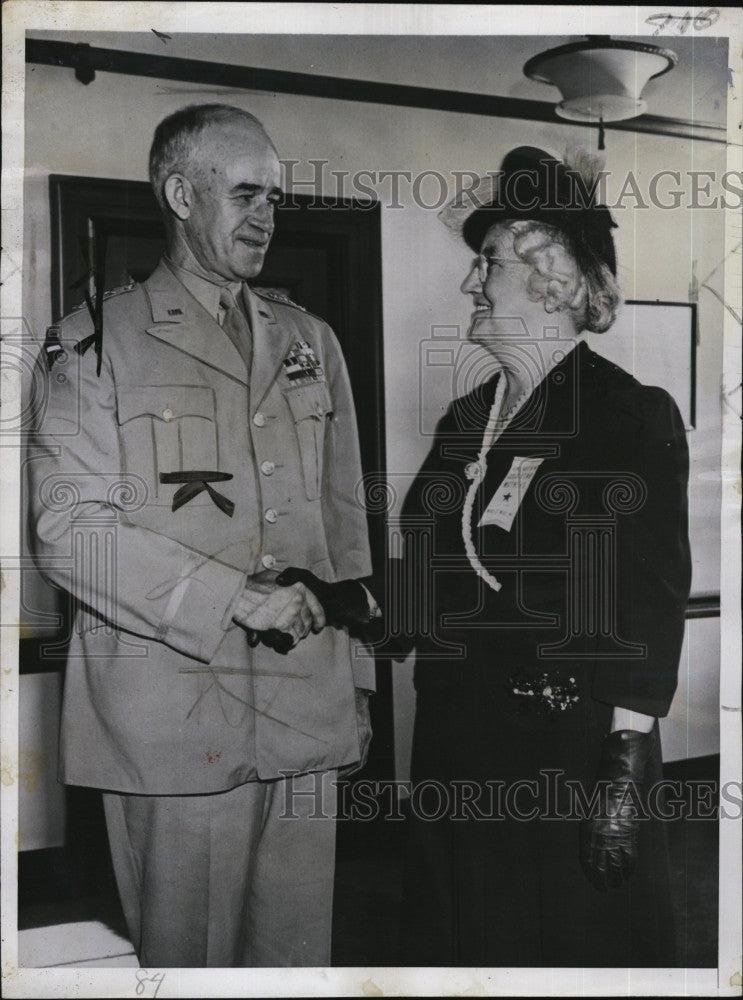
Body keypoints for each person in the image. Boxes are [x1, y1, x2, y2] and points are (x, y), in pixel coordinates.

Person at [28, 103, 376, 968]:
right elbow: (70, 530)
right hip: (173, 721)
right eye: (246, 193)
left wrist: (358, 679)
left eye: (276, 197)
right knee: (191, 965)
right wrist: (233, 598)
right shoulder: (92, 346)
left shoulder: (309, 340)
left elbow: (343, 528)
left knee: (295, 960)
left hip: (305, 705)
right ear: (181, 194)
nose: (267, 216)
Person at [391, 146, 691, 966]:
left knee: (562, 951)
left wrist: (623, 779)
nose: (470, 283)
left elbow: (649, 604)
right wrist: (328, 598)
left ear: (551, 279)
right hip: (457, 746)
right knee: (463, 947)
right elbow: (419, 577)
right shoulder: (465, 420)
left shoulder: (625, 414)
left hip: (565, 757)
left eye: (486, 262)